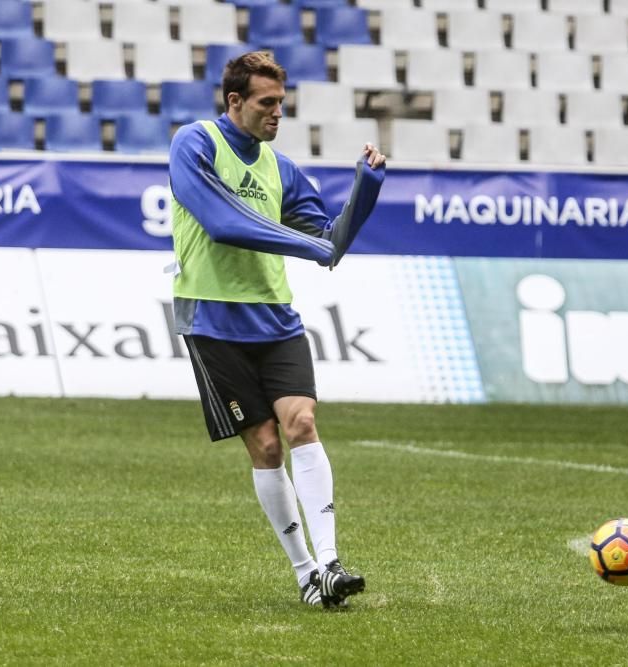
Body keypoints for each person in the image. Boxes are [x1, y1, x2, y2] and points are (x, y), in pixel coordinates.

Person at [167, 51, 386, 608]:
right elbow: (223, 224)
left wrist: (365, 191)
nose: (277, 114)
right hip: (213, 320)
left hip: (275, 318)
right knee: (265, 446)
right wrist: (311, 247)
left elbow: (330, 242)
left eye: (281, 104)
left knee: (302, 422)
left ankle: (332, 565)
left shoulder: (281, 168)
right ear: (234, 101)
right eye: (267, 103)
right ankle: (306, 573)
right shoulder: (194, 144)